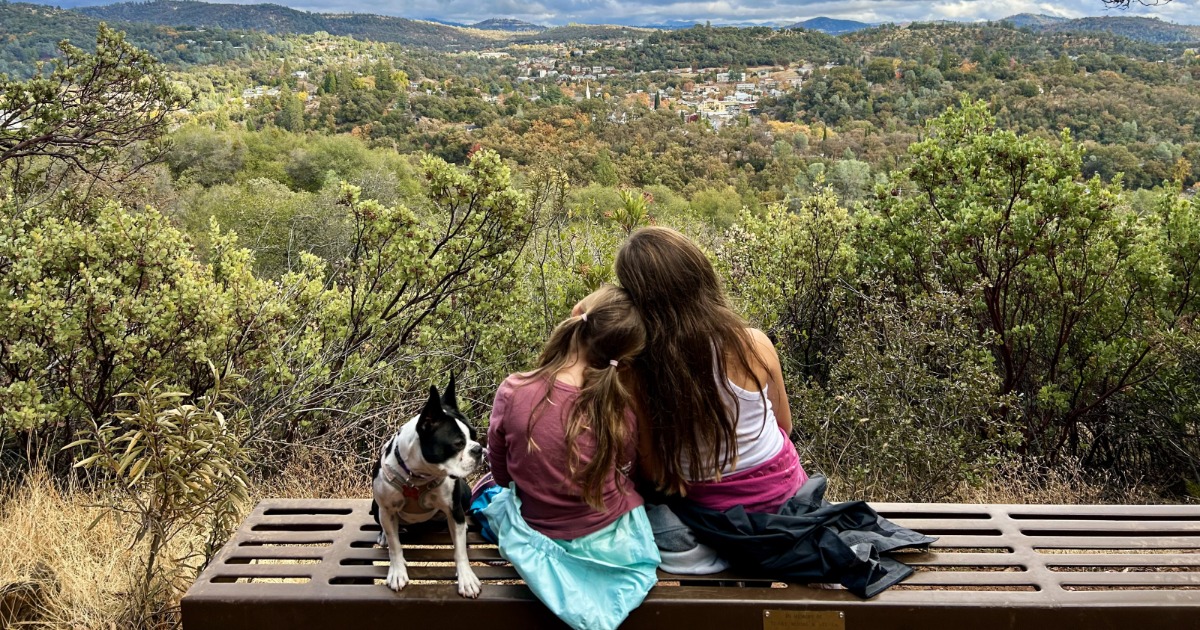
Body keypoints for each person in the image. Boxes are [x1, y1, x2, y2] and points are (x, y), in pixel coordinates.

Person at [616, 226, 934, 598]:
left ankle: (714, 595)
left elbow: (656, 472)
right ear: (702, 277)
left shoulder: (638, 371)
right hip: (785, 502)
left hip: (711, 520)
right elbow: (785, 424)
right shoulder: (753, 344)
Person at [480, 284, 660, 630]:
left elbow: (502, 477)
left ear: (579, 313)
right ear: (621, 361)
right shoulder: (619, 407)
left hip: (538, 530)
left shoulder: (514, 390)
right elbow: (626, 473)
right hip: (611, 539)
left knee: (485, 492)